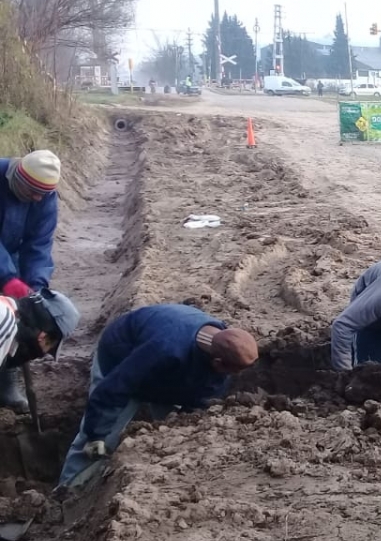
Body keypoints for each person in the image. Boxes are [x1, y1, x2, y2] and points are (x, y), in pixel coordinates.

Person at [56, 304, 259, 488]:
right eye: (232, 371)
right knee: (100, 441)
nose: (234, 377)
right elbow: (115, 387)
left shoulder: (223, 345)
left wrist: (189, 418)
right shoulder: (164, 347)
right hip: (120, 357)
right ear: (217, 362)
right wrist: (96, 435)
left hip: (166, 372)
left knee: (175, 433)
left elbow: (205, 395)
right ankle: (67, 490)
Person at [0, 150, 62, 411]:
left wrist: (35, 286)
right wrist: (7, 277)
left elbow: (38, 245)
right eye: (32, 192)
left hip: (10, 256)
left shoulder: (45, 198)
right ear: (18, 177)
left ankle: (5, 382)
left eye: (43, 194)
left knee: (17, 320)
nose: (37, 198)